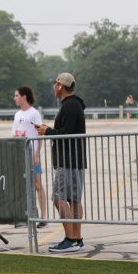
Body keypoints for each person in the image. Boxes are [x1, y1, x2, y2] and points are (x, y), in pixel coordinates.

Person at [36, 72, 87, 254]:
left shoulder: (70, 105)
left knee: (59, 198)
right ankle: (77, 239)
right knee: (74, 200)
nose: (53, 87)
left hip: (68, 161)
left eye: (55, 84)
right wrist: (49, 130)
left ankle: (71, 239)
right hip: (74, 160)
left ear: (60, 86)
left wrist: (47, 131)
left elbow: (66, 133)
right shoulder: (74, 104)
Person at [11, 86, 48, 228]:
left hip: (32, 153)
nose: (14, 98)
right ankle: (26, 216)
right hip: (20, 154)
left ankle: (43, 217)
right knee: (23, 186)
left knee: (37, 185)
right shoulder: (17, 115)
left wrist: (37, 154)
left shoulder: (34, 113)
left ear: (24, 96)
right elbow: (15, 133)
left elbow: (40, 134)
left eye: (16, 95)